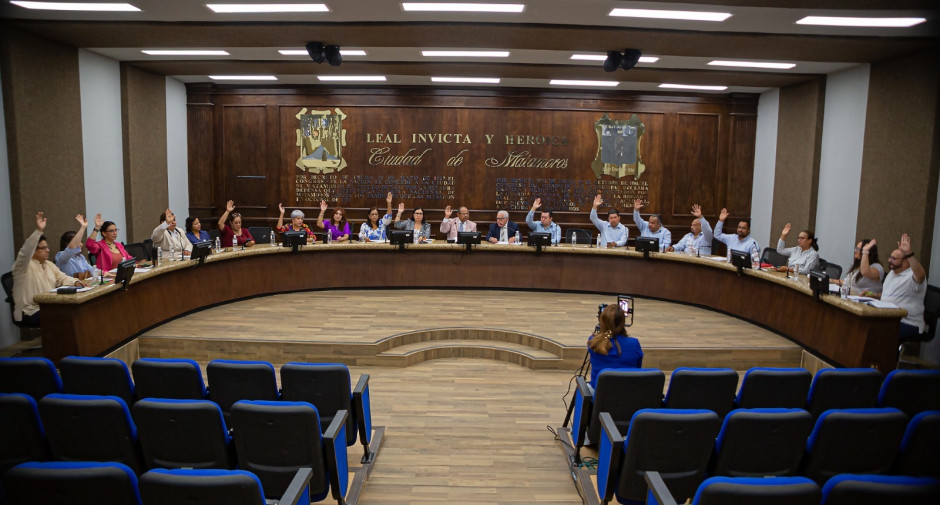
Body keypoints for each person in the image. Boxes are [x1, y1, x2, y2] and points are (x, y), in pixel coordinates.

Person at [13, 212, 85, 324]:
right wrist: (38, 232)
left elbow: (62, 278)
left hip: (49, 305)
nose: (48, 250)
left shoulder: (48, 264)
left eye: (47, 247)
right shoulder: (23, 266)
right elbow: (24, 252)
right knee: (67, 316)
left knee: (77, 310)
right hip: (30, 310)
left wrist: (75, 282)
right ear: (33, 251)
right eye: (43, 248)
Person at [880, 234, 928, 341]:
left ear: (906, 261)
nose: (889, 260)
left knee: (878, 332)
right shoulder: (891, 274)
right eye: (890, 256)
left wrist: (909, 254)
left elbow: (920, 275)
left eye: (894, 258)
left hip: (908, 323)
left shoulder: (912, 275)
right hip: (889, 319)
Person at [586, 304, 643, 389]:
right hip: (629, 394)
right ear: (623, 322)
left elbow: (607, 336)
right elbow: (638, 368)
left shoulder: (594, 342)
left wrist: (608, 331)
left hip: (601, 395)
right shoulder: (634, 343)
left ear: (602, 321)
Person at [54, 213, 95, 279]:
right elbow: (71, 248)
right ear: (67, 243)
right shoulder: (61, 257)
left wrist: (105, 273)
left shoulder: (80, 257)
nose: (81, 244)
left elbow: (92, 271)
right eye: (78, 242)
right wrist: (83, 228)